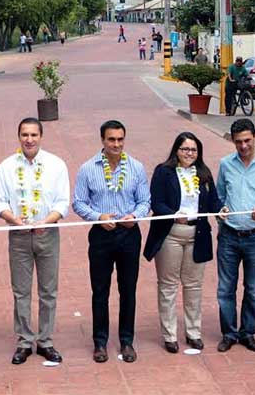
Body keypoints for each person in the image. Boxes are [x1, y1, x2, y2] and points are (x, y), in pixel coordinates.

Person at [73, 120, 151, 364]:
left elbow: (145, 201)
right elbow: (78, 202)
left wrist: (135, 217)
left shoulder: (136, 167)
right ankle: (100, 342)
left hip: (129, 234)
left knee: (128, 289)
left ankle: (127, 340)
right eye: (111, 140)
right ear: (102, 141)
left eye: (120, 139)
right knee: (100, 290)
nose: (116, 144)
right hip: (101, 236)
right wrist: (98, 217)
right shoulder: (88, 168)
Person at [0, 118, 70, 365]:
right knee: (21, 290)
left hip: (47, 233)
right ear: (18, 136)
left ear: (41, 136)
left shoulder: (55, 164)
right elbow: (0, 201)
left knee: (48, 290)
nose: (29, 139)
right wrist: (13, 219)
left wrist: (46, 221)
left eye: (33, 135)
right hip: (18, 234)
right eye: (24, 135)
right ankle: (25, 340)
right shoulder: (6, 166)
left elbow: (62, 202)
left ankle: (45, 341)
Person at [144, 132, 223, 353]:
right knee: (168, 286)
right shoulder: (164, 172)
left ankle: (193, 332)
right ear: (176, 150)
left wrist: (221, 210)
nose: (189, 154)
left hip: (197, 234)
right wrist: (172, 214)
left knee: (194, 285)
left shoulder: (204, 173)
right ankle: (169, 335)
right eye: (185, 149)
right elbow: (156, 202)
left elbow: (214, 201)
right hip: (171, 234)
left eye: (194, 150)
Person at [216, 119, 255, 353]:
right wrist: (220, 212)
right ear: (232, 141)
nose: (243, 146)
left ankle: (248, 333)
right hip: (229, 236)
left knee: (252, 288)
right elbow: (220, 195)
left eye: (247, 141)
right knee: (225, 288)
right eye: (238, 142)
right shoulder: (225, 164)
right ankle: (229, 333)